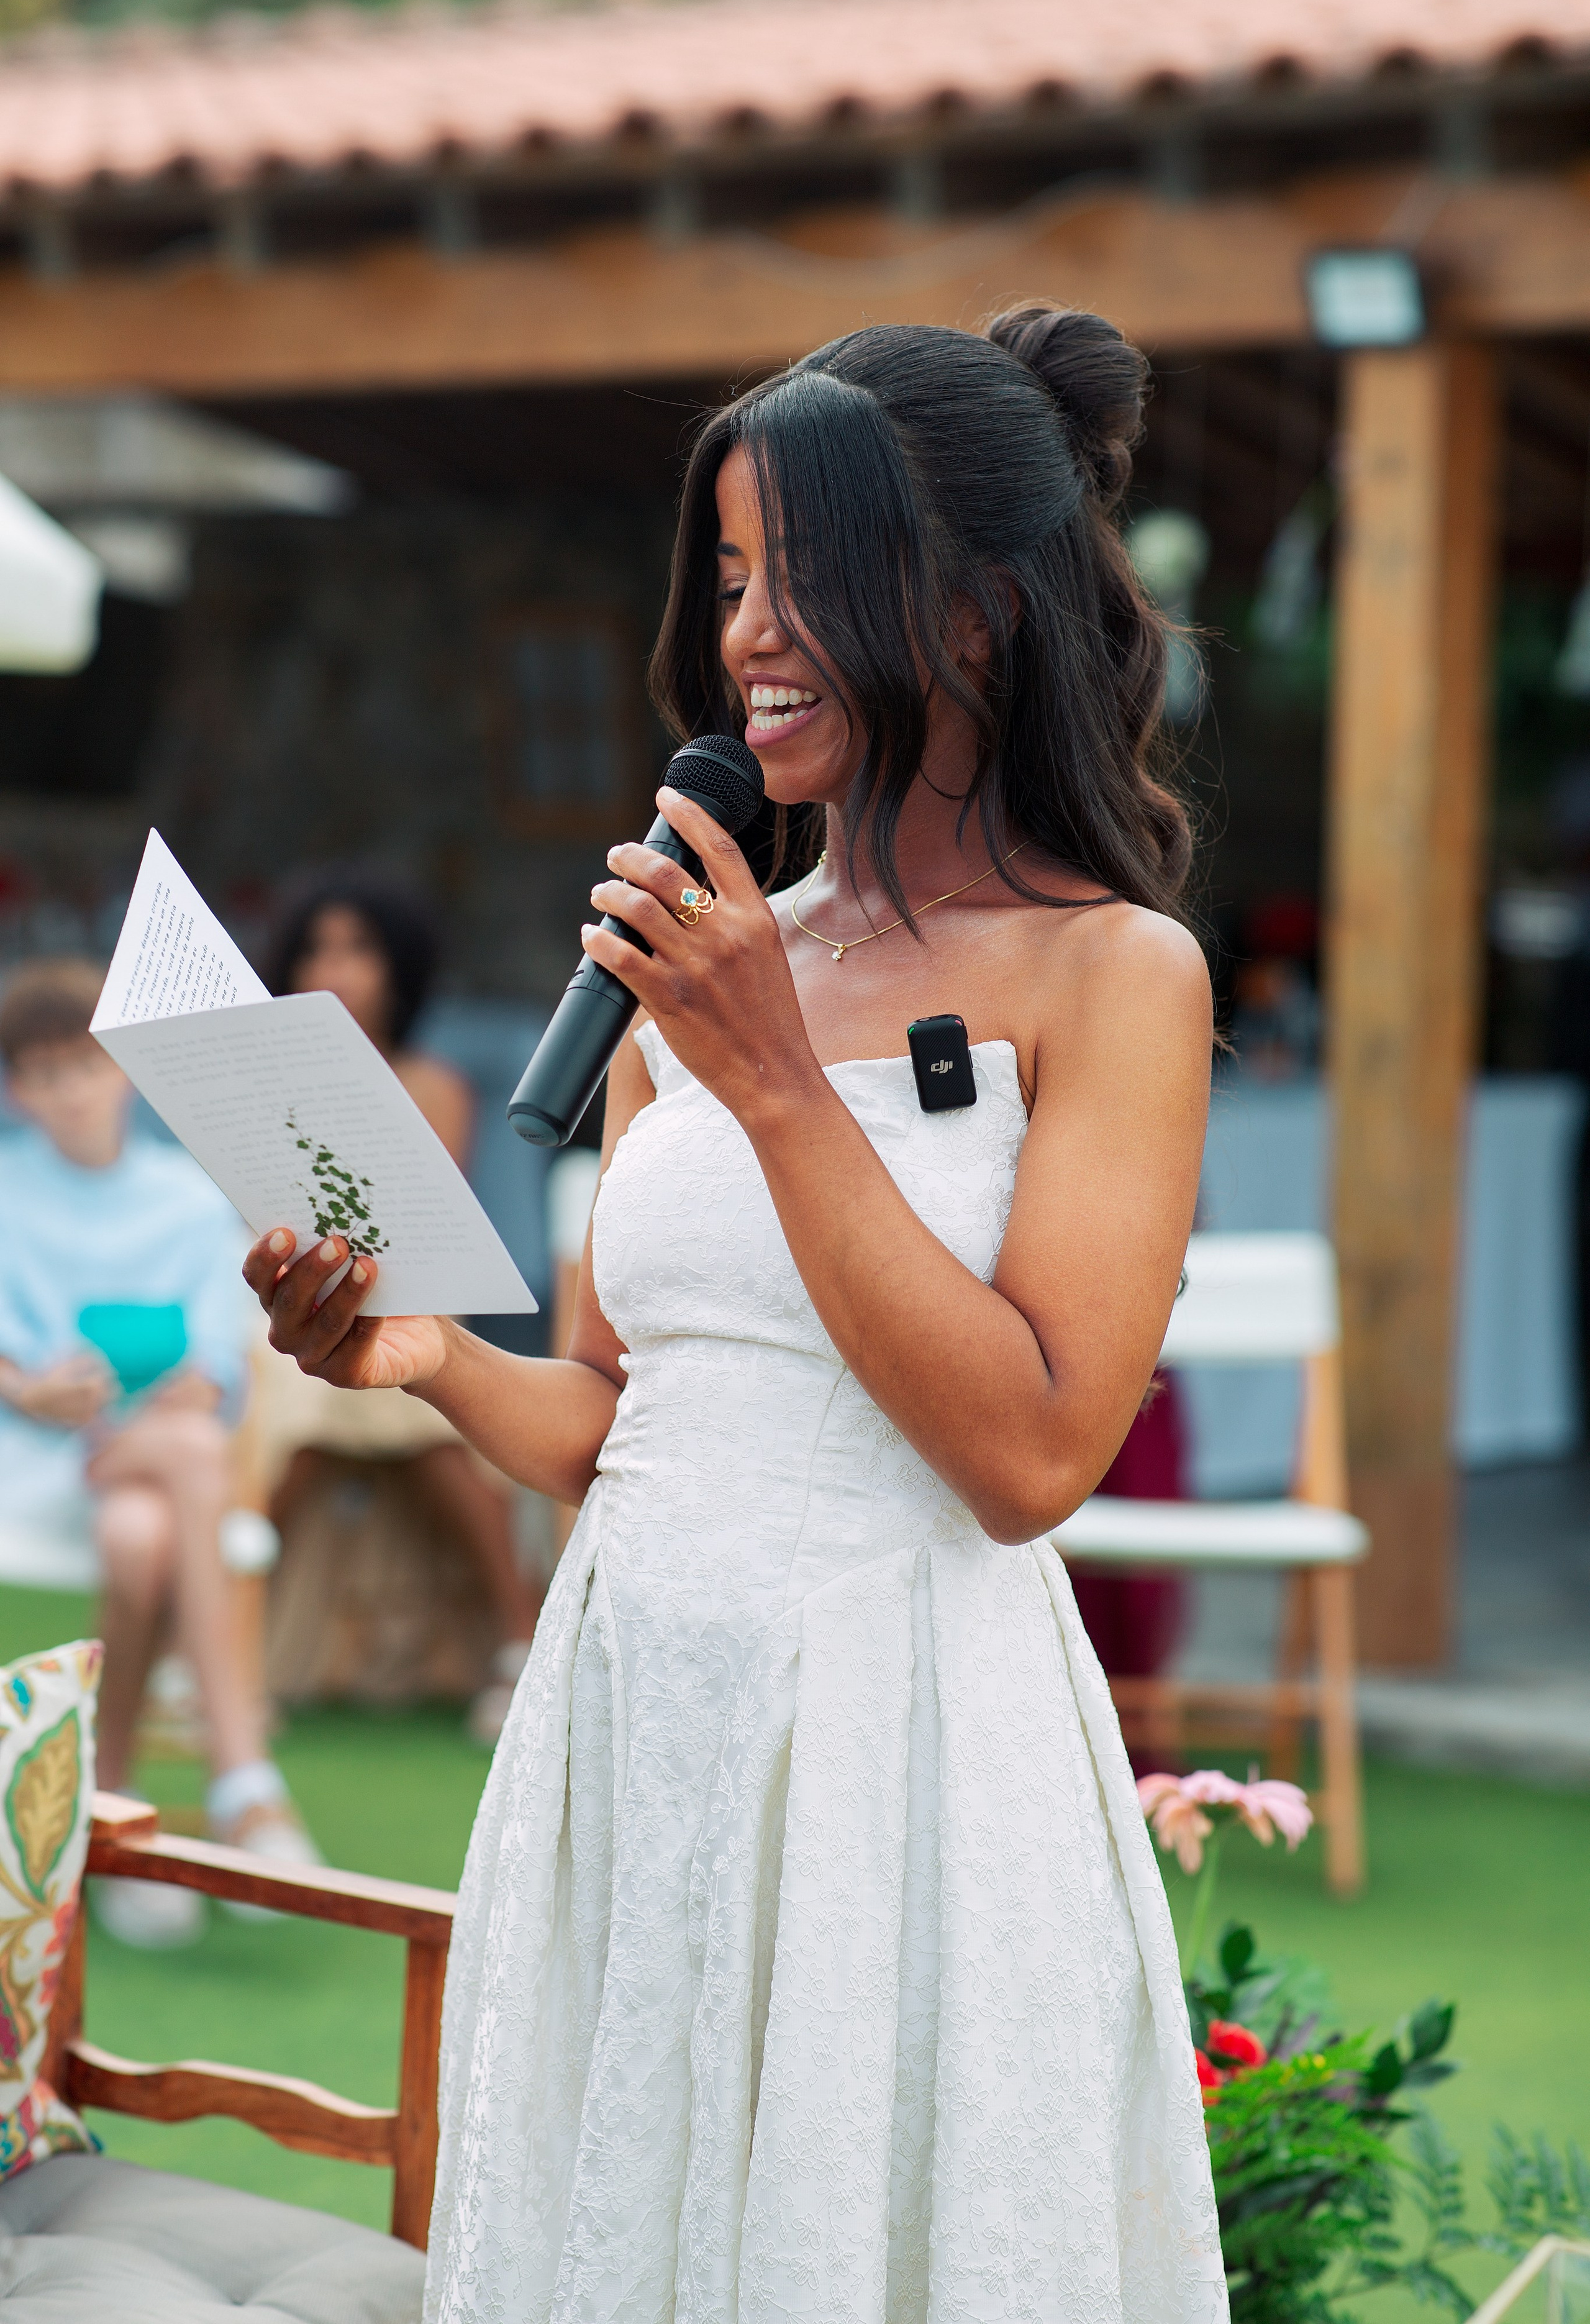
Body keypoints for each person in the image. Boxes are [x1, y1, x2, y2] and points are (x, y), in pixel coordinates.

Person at [250, 309, 1226, 2320]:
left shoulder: (1112, 978)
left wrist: (776, 1080)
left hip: (893, 1759)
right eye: (725, 579)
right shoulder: (700, 969)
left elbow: (1033, 1456)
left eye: (801, 578)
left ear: (971, 616)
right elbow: (617, 1422)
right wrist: (413, 1353)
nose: (749, 633)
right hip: (637, 1724)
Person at [0, 959, 316, 1948]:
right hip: (43, 1459)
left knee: (143, 1536)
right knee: (179, 1462)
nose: (68, 1092)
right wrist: (30, 1390)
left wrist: (197, 1386)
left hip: (159, 1467)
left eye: (83, 1068)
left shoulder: (186, 1197)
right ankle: (241, 1772)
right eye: (43, 1075)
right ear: (16, 1090)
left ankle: (114, 1791)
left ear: (122, 1072)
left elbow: (222, 1360)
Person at [260, 871, 541, 1738]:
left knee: (404, 1409)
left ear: (399, 968)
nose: (336, 967)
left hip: (406, 1304)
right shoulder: (264, 1081)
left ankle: (520, 1641)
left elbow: (413, 1219)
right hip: (284, 1319)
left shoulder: (433, 1082)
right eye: (318, 947)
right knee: (304, 1399)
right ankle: (516, 1641)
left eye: (359, 948)